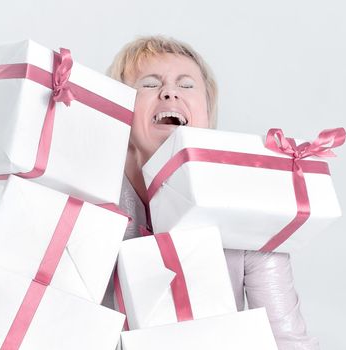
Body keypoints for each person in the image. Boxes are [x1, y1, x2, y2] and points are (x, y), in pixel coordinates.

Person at [102, 35, 320, 350]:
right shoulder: (88, 195)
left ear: (207, 113)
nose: (169, 92)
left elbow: (285, 339)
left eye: (187, 85)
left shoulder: (248, 207)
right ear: (118, 105)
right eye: (149, 84)